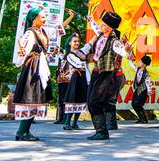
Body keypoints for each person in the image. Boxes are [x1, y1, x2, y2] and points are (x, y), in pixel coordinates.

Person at [13, 7, 74, 141]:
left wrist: (70, 18)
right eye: (42, 17)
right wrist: (22, 55)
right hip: (33, 68)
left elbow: (59, 28)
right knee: (31, 99)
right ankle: (21, 132)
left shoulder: (43, 32)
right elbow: (21, 53)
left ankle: (25, 131)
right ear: (34, 19)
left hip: (39, 66)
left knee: (36, 99)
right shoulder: (30, 34)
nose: (45, 19)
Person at [86, 12, 131, 140]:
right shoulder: (100, 34)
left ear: (110, 28)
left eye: (104, 24)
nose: (101, 25)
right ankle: (100, 130)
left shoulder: (114, 42)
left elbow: (122, 52)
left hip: (105, 74)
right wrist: (91, 20)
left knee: (96, 101)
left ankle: (102, 131)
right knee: (90, 101)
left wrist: (127, 51)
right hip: (96, 72)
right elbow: (94, 25)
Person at [62, 33, 97, 130]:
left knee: (81, 100)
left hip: (83, 79)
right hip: (75, 79)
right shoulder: (70, 55)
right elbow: (78, 64)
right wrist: (87, 59)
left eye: (78, 41)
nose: (77, 43)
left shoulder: (80, 52)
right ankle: (67, 123)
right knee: (72, 100)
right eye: (74, 41)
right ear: (70, 43)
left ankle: (75, 123)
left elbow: (88, 45)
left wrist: (95, 37)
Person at [128, 54, 153, 124]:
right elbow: (131, 64)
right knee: (134, 104)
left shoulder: (146, 74)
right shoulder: (138, 69)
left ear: (144, 65)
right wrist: (129, 58)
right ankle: (142, 118)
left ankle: (144, 119)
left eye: (141, 62)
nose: (139, 62)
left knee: (137, 103)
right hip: (138, 89)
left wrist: (149, 91)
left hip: (143, 90)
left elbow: (148, 83)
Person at [54, 50, 70, 125]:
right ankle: (60, 118)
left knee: (65, 99)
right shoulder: (63, 59)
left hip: (67, 81)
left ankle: (65, 118)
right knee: (60, 99)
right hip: (60, 81)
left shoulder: (70, 58)